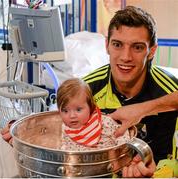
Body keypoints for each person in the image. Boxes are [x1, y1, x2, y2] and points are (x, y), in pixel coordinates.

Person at [82, 5, 177, 177]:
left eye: (138, 47)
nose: (126, 57)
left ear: (151, 51)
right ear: (107, 46)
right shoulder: (87, 90)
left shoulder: (170, 90)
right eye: (117, 44)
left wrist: (143, 108)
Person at [57, 78, 130, 151]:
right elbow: (65, 144)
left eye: (78, 110)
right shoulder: (66, 127)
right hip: (75, 161)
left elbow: (122, 135)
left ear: (90, 106)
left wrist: (119, 152)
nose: (72, 116)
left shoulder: (104, 123)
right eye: (65, 111)